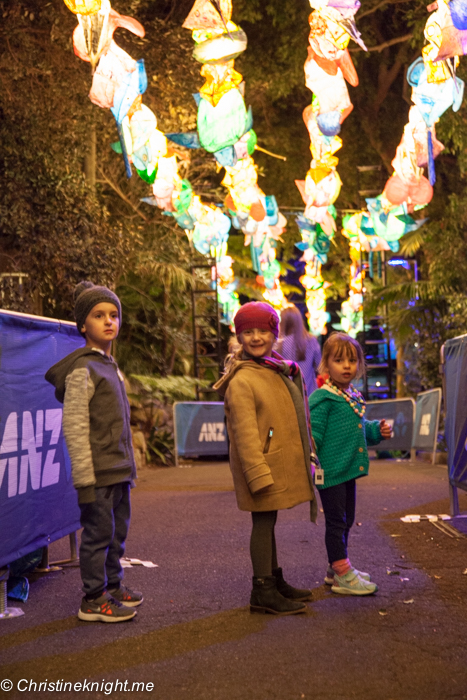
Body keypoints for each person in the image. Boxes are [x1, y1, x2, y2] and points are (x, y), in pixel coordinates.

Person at [46, 281, 142, 623]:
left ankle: (113, 586)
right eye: (98, 315)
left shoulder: (110, 365)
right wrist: (84, 478)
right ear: (83, 325)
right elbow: (74, 426)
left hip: (119, 469)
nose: (108, 321)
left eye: (113, 315)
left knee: (117, 533)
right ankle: (93, 598)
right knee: (97, 534)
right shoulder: (82, 369)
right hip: (97, 473)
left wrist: (131, 467)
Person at [214, 301, 318, 616]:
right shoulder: (243, 379)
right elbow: (244, 435)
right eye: (248, 332)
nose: (256, 337)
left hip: (272, 460)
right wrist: (257, 472)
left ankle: (273, 579)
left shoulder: (272, 367)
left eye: (263, 331)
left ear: (274, 334)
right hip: (260, 464)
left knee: (268, 520)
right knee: (262, 522)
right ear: (239, 335)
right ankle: (262, 589)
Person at [309, 331, 392, 595]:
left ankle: (336, 569)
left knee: (346, 520)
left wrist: (376, 431)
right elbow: (314, 434)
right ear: (326, 364)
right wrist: (310, 458)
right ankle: (343, 572)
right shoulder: (323, 398)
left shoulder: (350, 395)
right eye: (339, 360)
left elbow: (357, 427)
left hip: (345, 471)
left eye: (352, 360)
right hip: (330, 471)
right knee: (336, 522)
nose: (346, 366)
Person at [277, 304, 321, 396]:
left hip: (287, 395)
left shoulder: (279, 344)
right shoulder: (311, 340)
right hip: (309, 394)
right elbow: (319, 365)